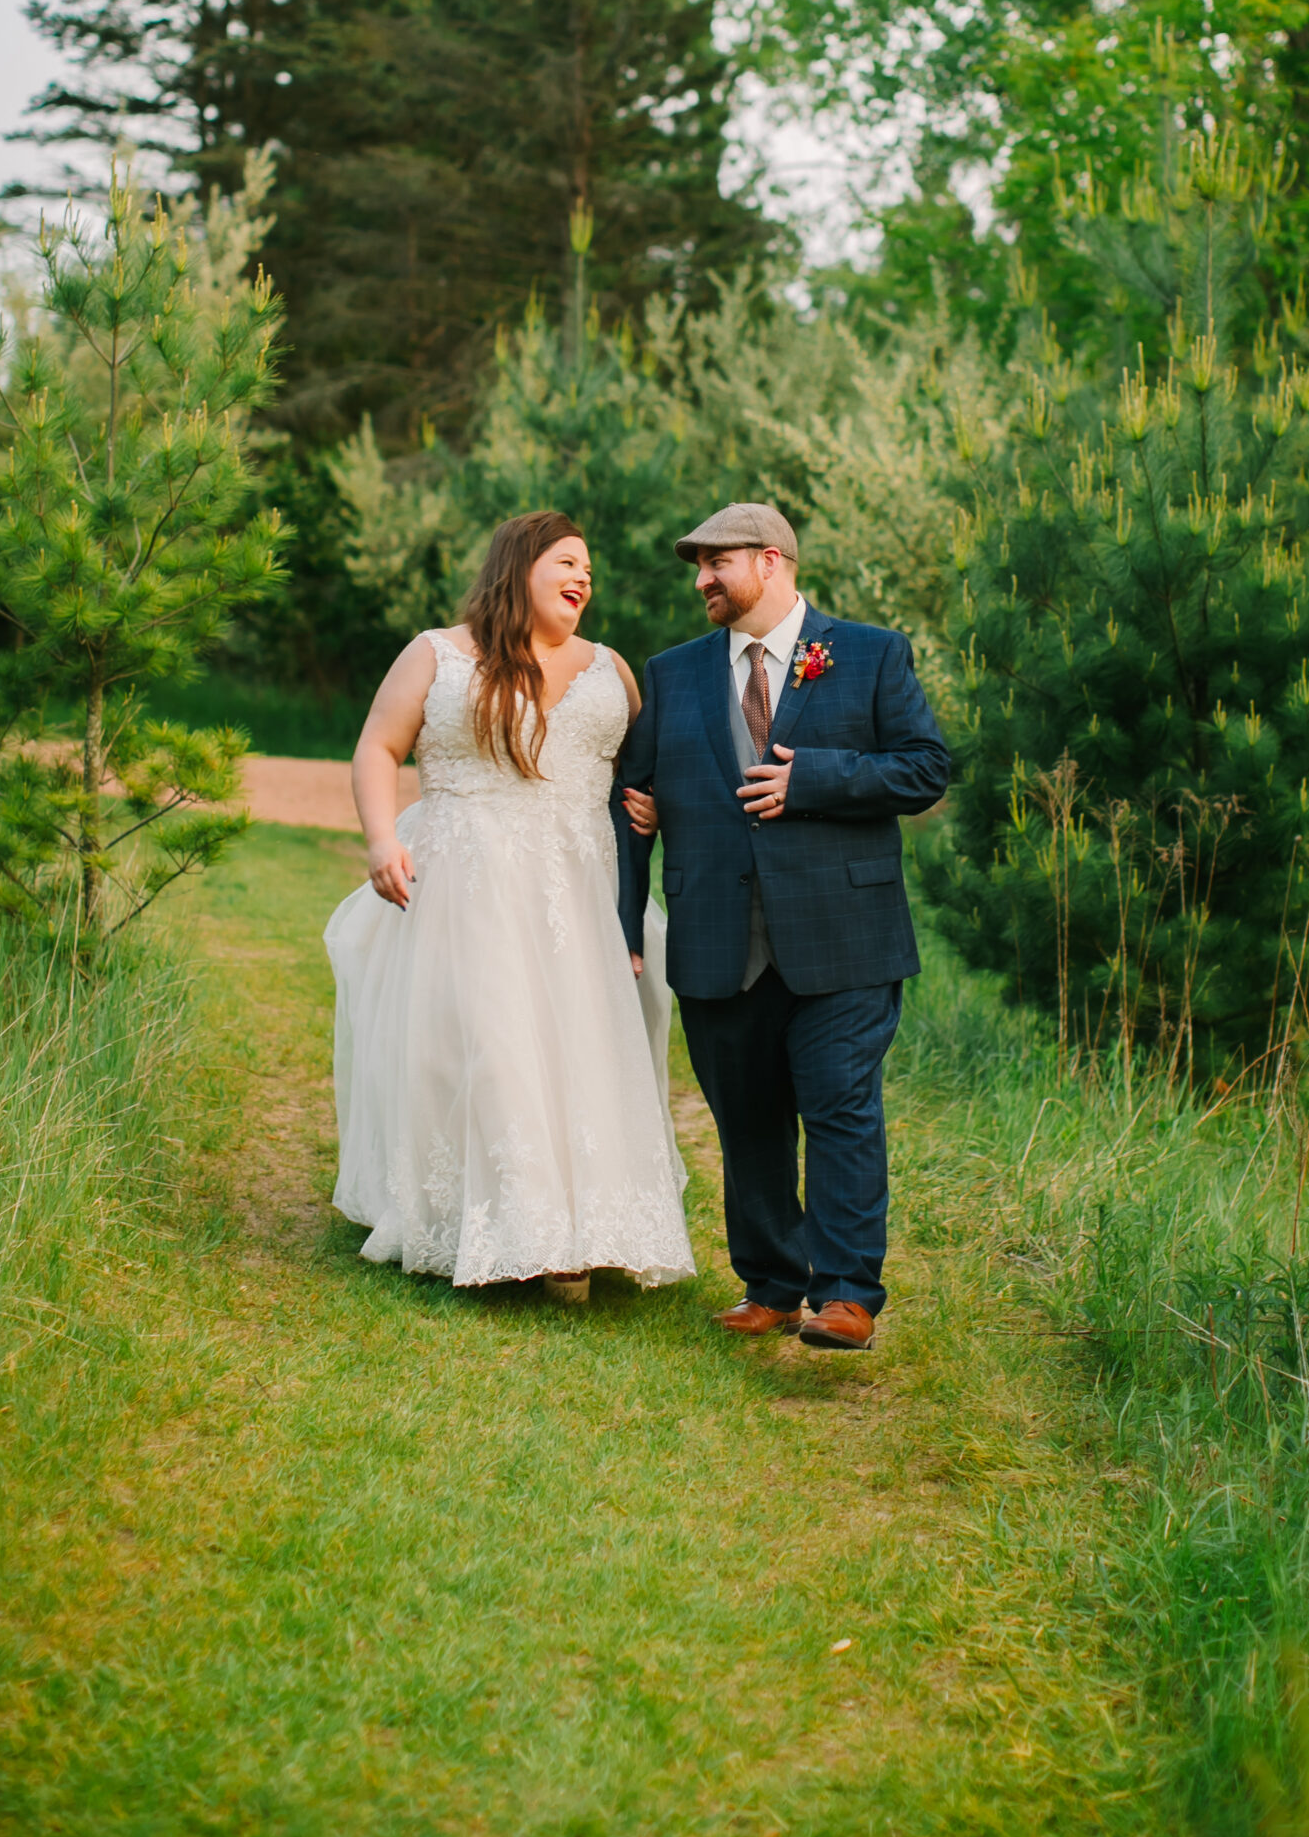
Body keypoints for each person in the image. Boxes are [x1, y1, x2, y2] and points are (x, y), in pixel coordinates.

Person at [325, 510, 694, 1303]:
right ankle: (512, 1225)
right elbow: (377, 747)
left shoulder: (612, 669)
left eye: (589, 569)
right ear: (519, 566)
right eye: (568, 561)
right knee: (489, 1043)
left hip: (580, 892)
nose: (584, 577)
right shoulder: (437, 654)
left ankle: (588, 1228)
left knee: (582, 1045)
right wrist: (381, 840)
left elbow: (647, 772)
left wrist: (657, 805)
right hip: (469, 880)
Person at [616, 503, 950, 1350]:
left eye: (715, 563)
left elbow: (925, 769)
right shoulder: (673, 672)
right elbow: (631, 798)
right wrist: (626, 917)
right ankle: (771, 1283)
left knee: (841, 1109)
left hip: (847, 934)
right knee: (747, 1120)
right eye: (697, 567)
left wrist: (817, 780)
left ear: (770, 561)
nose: (701, 580)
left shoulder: (872, 653)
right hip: (716, 936)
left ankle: (846, 1296)